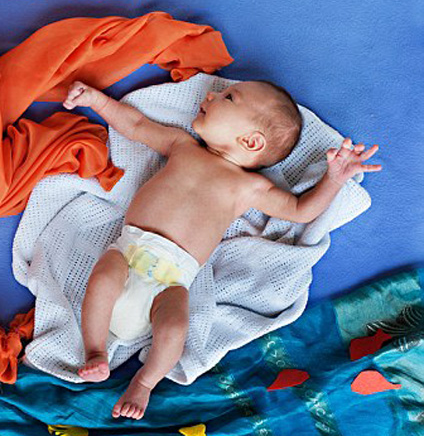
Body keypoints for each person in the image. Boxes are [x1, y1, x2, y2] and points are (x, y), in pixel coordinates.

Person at [62, 79, 382, 419]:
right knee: (104, 276)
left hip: (171, 282)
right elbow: (137, 125)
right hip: (128, 253)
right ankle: (95, 351)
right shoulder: (182, 145)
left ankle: (144, 382)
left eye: (229, 97)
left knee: (174, 327)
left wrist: (334, 179)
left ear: (251, 141)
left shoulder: (250, 187)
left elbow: (301, 210)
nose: (211, 94)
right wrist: (96, 100)